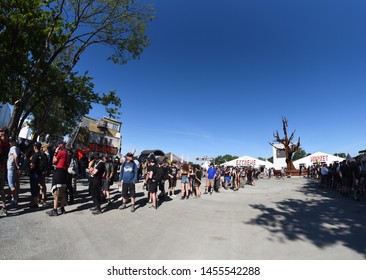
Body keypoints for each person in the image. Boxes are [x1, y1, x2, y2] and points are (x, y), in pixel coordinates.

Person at [46, 141, 68, 216]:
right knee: (63, 192)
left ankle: (55, 210)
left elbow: (54, 161)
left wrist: (55, 152)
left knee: (56, 192)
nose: (58, 146)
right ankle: (62, 208)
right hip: (64, 172)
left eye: (59, 144)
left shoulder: (61, 152)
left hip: (59, 171)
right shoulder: (66, 153)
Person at [7, 137, 21, 208]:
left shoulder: (13, 148)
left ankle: (15, 200)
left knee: (11, 185)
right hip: (14, 169)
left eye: (10, 141)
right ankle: (15, 198)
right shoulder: (18, 149)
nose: (9, 143)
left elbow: (15, 156)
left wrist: (17, 165)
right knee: (16, 183)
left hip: (11, 168)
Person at [0, 127, 10, 216]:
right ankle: (4, 207)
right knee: (2, 189)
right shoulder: (7, 142)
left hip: (1, 168)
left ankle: (4, 207)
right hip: (2, 167)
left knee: (1, 189)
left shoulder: (4, 143)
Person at [29, 142, 42, 209]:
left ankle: (35, 204)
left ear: (35, 147)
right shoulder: (41, 154)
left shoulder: (35, 155)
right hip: (40, 173)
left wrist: (30, 164)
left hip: (34, 173)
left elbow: (32, 165)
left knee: (34, 188)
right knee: (37, 188)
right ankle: (38, 201)